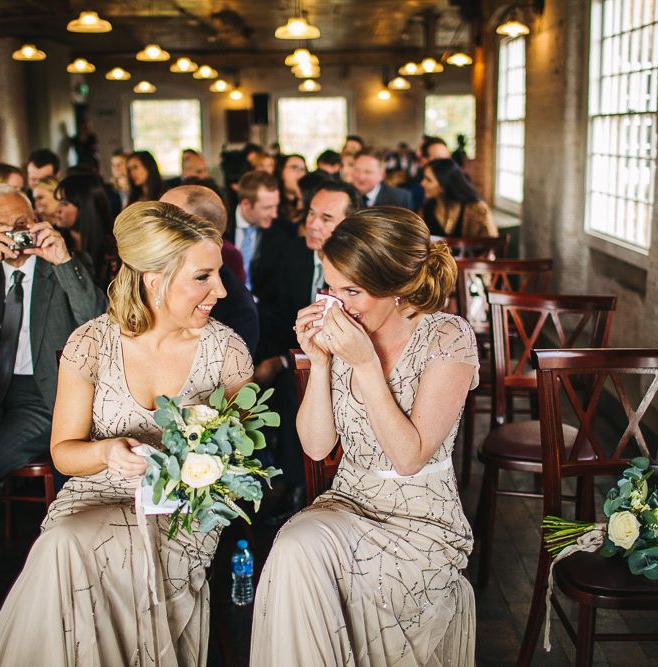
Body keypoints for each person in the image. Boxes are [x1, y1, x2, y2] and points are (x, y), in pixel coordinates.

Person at [0, 201, 253, 667]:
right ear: (154, 278)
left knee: (70, 547)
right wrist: (106, 451)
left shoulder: (226, 351)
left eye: (219, 274)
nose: (221, 291)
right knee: (64, 542)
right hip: (95, 495)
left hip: (180, 513)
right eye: (203, 277)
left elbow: (242, 457)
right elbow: (64, 454)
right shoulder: (91, 343)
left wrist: (201, 463)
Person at [250, 206, 479, 666]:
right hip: (349, 503)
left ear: (397, 288)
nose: (338, 304)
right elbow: (316, 447)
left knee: (302, 547)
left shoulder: (448, 337)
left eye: (351, 291)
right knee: (295, 547)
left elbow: (409, 458)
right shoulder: (343, 337)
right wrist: (319, 361)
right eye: (331, 288)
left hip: (420, 520)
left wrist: (365, 363)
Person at [0, 184, 106, 580]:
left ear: (36, 221)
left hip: (42, 394)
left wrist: (62, 261)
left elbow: (97, 320)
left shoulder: (66, 262)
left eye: (22, 223)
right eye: (2, 227)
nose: (15, 234)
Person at [254, 180, 361, 524]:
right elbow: (277, 315)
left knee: (291, 385)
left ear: (349, 226)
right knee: (275, 385)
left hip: (351, 362)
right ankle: (278, 479)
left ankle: (298, 484)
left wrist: (287, 361)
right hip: (300, 356)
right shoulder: (294, 253)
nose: (312, 224)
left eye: (326, 218)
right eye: (311, 214)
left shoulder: (362, 267)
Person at [160, 185, 259, 355]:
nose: (154, 225)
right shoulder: (150, 274)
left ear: (200, 230)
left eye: (165, 218)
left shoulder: (238, 312)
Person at [55, 173, 118, 290]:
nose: (57, 209)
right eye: (58, 202)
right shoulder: (57, 242)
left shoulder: (111, 250)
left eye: (64, 204)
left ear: (85, 206)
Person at [421, 158, 498, 237]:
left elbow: (491, 243)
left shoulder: (478, 209)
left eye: (428, 180)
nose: (422, 183)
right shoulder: (428, 208)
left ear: (444, 184)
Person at [276, 153, 308, 224]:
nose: (301, 174)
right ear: (281, 171)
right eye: (294, 168)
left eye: (303, 170)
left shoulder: (308, 201)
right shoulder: (272, 202)